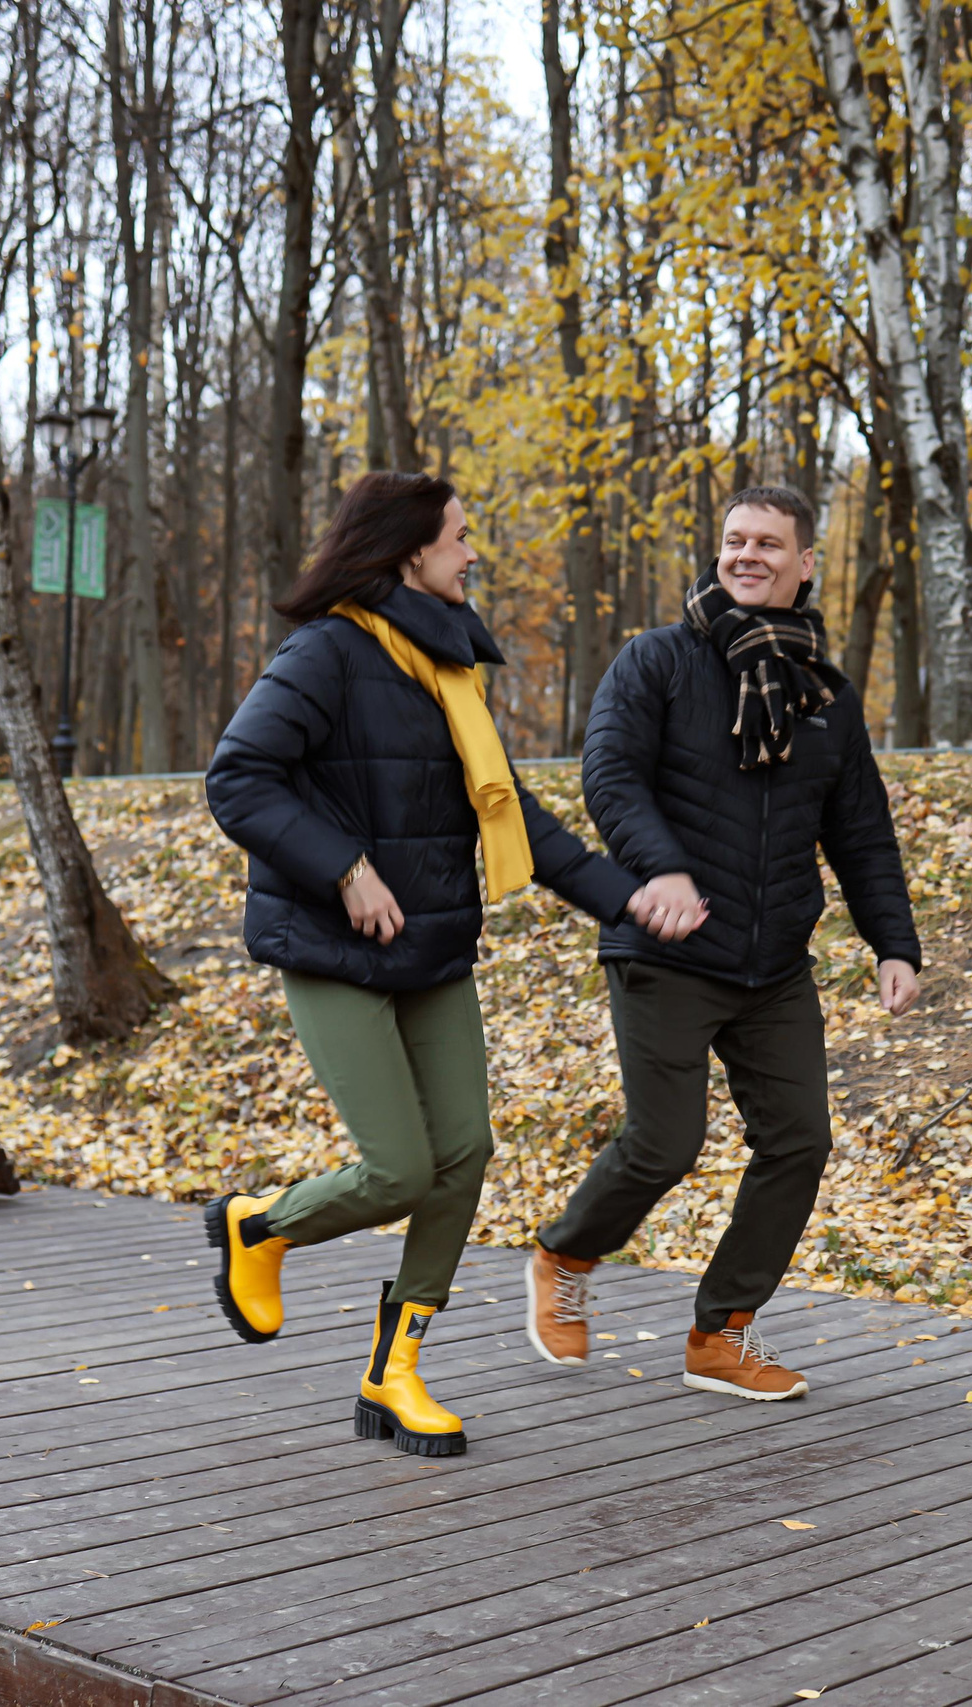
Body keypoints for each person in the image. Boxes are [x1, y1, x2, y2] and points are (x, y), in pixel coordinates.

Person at [203, 471, 692, 1457]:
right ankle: (261, 1228)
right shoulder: (327, 654)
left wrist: (626, 896)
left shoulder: (448, 668)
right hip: (333, 942)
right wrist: (343, 870)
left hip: (428, 946)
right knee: (398, 1168)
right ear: (406, 552)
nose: (473, 554)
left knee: (462, 1152)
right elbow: (237, 778)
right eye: (459, 538)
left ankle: (397, 1370)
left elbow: (515, 814)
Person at [527, 486, 921, 1400]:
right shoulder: (657, 661)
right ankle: (565, 1253)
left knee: (800, 1141)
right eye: (736, 540)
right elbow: (611, 775)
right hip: (668, 948)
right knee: (666, 1142)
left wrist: (892, 942)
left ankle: (721, 1332)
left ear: (805, 562)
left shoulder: (824, 692)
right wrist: (659, 869)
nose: (749, 555)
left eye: (770, 543)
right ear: (719, 551)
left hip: (775, 960)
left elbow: (861, 831)